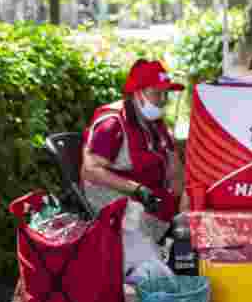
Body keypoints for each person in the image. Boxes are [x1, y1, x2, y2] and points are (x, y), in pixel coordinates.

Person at [80, 59, 186, 284]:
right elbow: (90, 170)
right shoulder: (111, 123)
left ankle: (177, 267)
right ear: (138, 94)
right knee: (155, 270)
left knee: (188, 224)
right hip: (115, 202)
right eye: (158, 94)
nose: (163, 101)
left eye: (166, 95)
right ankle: (146, 273)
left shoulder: (154, 122)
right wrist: (136, 189)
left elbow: (173, 164)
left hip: (151, 199)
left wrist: (183, 189)